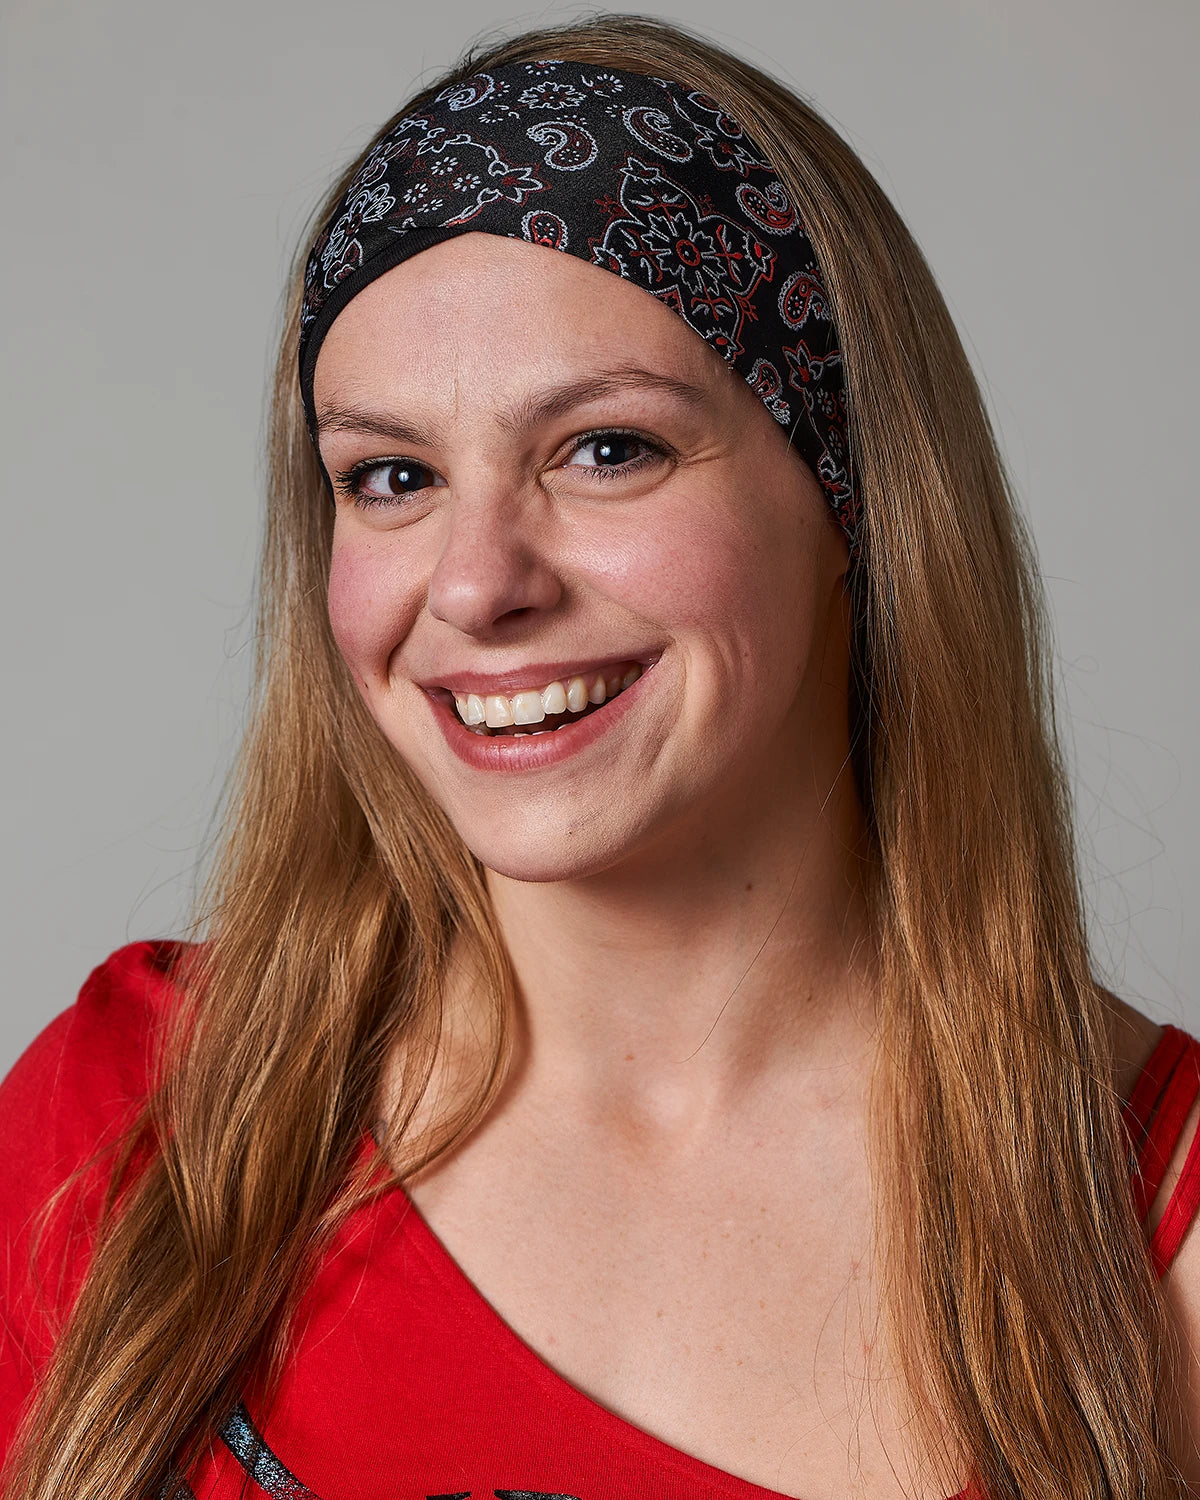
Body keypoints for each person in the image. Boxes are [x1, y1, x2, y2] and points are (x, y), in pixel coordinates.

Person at [1, 15, 1197, 1500]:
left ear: (855, 501)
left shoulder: (1153, 1246)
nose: (475, 582)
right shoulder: (125, 1131)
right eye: (392, 478)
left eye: (606, 449)